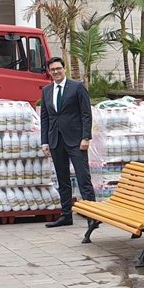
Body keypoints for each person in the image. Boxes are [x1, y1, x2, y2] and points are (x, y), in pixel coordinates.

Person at [40, 56, 92, 227]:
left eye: (58, 68)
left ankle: (93, 217)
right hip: (56, 140)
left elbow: (86, 113)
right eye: (52, 70)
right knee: (62, 180)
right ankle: (66, 215)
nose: (56, 72)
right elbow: (45, 118)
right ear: (49, 72)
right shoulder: (47, 90)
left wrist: (86, 137)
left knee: (83, 178)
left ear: (64, 69)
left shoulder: (77, 87)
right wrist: (45, 142)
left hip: (76, 140)